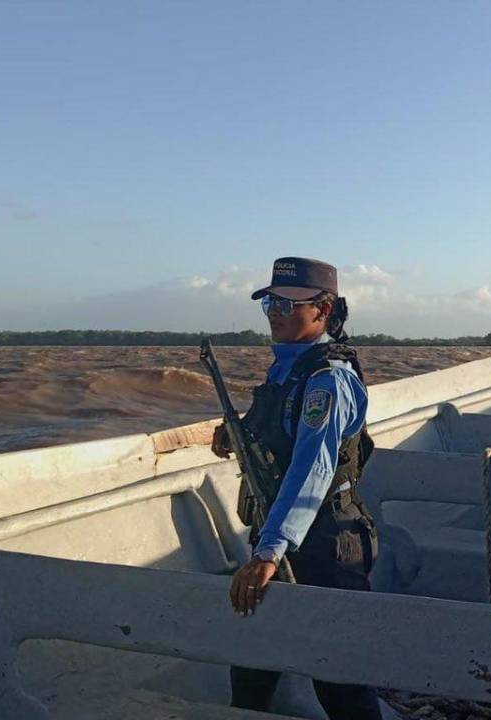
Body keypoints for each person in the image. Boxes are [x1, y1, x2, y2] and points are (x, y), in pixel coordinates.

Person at [212, 256, 382, 719]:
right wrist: (239, 435)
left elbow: (314, 467)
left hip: (327, 541)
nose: (275, 312)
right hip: (279, 532)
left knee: (340, 680)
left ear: (323, 311)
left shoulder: (328, 380)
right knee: (251, 665)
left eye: (288, 303)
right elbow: (281, 434)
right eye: (269, 301)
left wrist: (270, 552)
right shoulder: (286, 369)